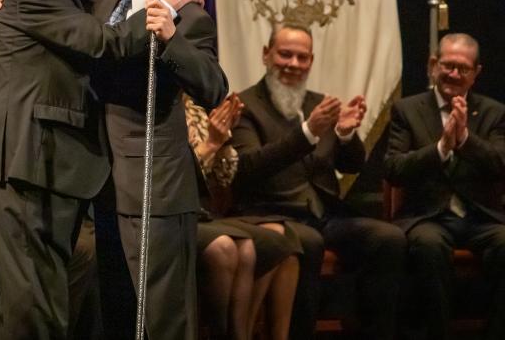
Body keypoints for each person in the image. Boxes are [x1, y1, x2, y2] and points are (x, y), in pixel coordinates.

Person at [0, 0, 194, 340]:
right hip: (29, 163)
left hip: (43, 167)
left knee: (27, 304)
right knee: (35, 309)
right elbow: (105, 43)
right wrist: (172, 1)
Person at [87, 0, 226, 340]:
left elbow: (214, 87)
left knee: (162, 315)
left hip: (154, 186)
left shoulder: (191, 19)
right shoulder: (107, 1)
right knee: (114, 307)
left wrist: (171, 38)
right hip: (99, 181)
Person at [231, 22, 406, 340]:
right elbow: (248, 167)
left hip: (323, 214)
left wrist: (345, 133)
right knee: (308, 242)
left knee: (388, 238)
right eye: (285, 55)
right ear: (266, 55)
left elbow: (351, 165)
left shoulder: (319, 104)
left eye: (302, 57)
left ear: (311, 61)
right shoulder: (245, 106)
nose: (293, 65)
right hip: (272, 215)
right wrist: (308, 132)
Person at [385, 33, 505, 340]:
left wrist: (464, 140)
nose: (454, 74)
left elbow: (499, 164)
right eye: (448, 65)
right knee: (428, 245)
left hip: (480, 217)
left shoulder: (494, 112)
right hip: (427, 216)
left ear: (476, 73)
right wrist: (440, 147)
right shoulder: (406, 110)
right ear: (433, 64)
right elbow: (394, 169)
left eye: (463, 68)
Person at [186, 93, 299, 340]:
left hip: (203, 212)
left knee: (277, 235)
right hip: (171, 212)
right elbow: (178, 179)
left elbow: (224, 178)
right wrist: (211, 144)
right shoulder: (157, 110)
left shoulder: (195, 108)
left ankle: (242, 333)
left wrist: (224, 141)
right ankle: (223, 333)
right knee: (233, 247)